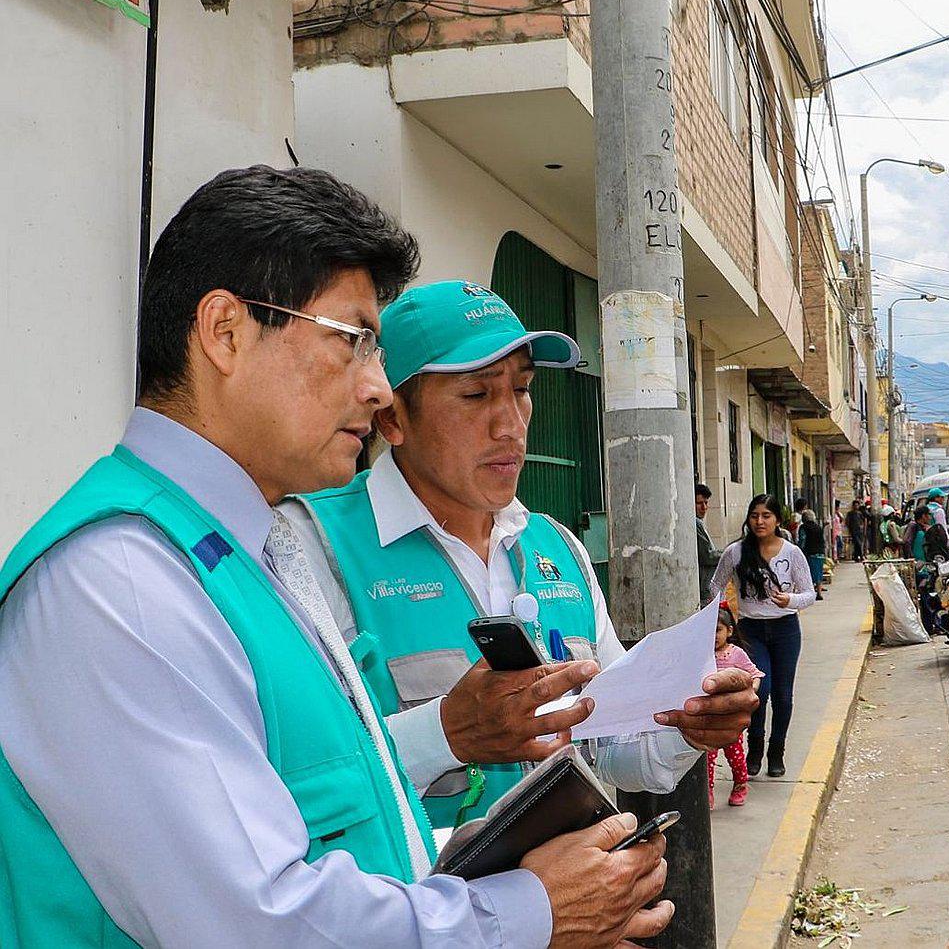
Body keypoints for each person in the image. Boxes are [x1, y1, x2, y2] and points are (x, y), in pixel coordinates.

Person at [0, 167, 669, 946]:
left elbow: (357, 834)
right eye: (354, 342)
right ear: (225, 332)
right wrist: (528, 913)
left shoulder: (253, 549)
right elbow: (256, 923)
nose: (379, 389)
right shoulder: (122, 583)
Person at [279, 280, 759, 827]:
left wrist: (690, 724)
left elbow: (619, 747)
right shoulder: (309, 546)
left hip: (574, 905)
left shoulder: (558, 549)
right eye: (477, 395)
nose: (510, 424)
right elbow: (296, 782)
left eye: (522, 390)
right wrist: (446, 734)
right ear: (392, 418)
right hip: (421, 908)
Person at [707, 495, 818, 778]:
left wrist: (789, 600)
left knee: (783, 695)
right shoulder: (736, 552)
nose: (760, 521)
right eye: (755, 515)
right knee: (759, 690)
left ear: (778, 520)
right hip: (750, 631)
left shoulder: (792, 553)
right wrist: (725, 618)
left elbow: (810, 594)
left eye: (766, 515)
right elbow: (715, 586)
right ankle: (753, 750)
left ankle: (776, 751)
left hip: (786, 630)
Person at [706, 607, 764, 808]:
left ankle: (740, 785)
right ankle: (708, 793)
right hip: (709, 717)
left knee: (735, 754)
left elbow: (755, 674)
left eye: (717, 630)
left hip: (731, 718)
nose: (713, 636)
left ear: (729, 631)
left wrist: (750, 691)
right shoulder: (703, 654)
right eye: (709, 631)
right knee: (708, 758)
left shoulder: (736, 653)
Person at [794, 497, 827, 600]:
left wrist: (799, 550)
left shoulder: (803, 528)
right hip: (820, 553)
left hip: (810, 553)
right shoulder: (818, 527)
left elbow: (802, 540)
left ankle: (811, 592)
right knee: (818, 572)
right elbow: (823, 540)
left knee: (809, 572)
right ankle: (819, 592)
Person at [697, 482, 722, 604]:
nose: (704, 507)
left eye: (706, 503)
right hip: (703, 588)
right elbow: (708, 556)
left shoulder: (699, 523)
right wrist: (727, 553)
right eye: (699, 503)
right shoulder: (696, 524)